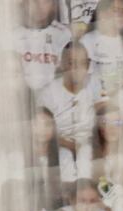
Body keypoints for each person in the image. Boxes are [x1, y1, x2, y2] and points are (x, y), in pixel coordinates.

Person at [38, 42, 98, 185]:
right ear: (62, 64)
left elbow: (106, 118)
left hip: (90, 144)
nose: (78, 69)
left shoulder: (95, 84)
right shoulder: (48, 92)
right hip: (58, 145)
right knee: (65, 158)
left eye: (83, 63)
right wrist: (67, 144)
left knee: (87, 155)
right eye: (72, 63)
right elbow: (41, 129)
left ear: (88, 65)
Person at [13, 0, 74, 95]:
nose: (39, 7)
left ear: (53, 5)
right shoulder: (12, 35)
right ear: (25, 3)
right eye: (35, 1)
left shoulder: (64, 35)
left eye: (46, 1)